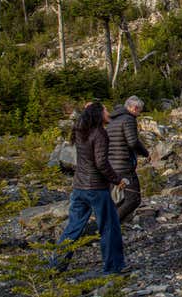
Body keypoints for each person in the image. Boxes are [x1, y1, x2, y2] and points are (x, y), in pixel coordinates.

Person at [53, 102, 129, 274]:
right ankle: (114, 266)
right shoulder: (100, 134)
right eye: (105, 110)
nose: (108, 112)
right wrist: (117, 180)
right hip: (96, 188)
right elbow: (101, 163)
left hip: (79, 187)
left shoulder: (80, 130)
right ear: (98, 113)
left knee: (73, 227)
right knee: (109, 227)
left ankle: (56, 265)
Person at [107, 95, 150, 222]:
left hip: (111, 166)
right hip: (124, 166)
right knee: (134, 198)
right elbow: (133, 142)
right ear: (134, 108)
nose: (139, 114)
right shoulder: (129, 119)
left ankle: (112, 226)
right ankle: (112, 225)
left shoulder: (112, 121)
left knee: (117, 198)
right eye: (139, 110)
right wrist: (146, 153)